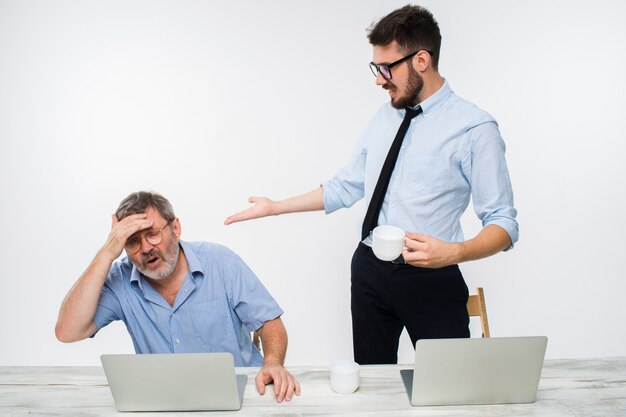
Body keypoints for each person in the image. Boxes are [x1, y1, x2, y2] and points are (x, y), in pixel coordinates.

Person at [224, 4, 518, 365]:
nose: (379, 79)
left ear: (421, 60)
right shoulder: (385, 116)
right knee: (372, 381)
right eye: (375, 68)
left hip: (431, 276)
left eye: (386, 68)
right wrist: (275, 206)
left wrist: (453, 253)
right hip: (369, 271)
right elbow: (345, 186)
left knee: (449, 383)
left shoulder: (475, 129)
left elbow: (504, 223)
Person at [56, 191, 300, 403]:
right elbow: (67, 331)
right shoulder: (121, 280)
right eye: (132, 241)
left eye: (152, 233)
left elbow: (269, 322)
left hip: (243, 396)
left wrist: (273, 363)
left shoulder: (221, 263)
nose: (145, 248)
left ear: (175, 228)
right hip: (166, 403)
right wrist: (107, 252)